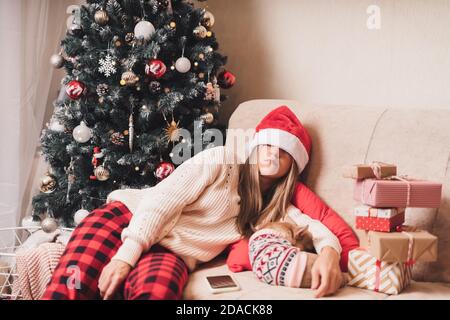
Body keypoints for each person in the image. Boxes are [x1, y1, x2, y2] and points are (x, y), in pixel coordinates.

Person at [42, 106, 358, 300]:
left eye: (284, 151)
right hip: (128, 218)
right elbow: (162, 202)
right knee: (73, 285)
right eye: (268, 145)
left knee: (157, 293)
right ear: (254, 148)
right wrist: (125, 258)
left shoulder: (274, 211)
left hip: (172, 252)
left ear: (294, 167)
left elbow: (317, 229)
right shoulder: (222, 160)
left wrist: (331, 254)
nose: (273, 153)